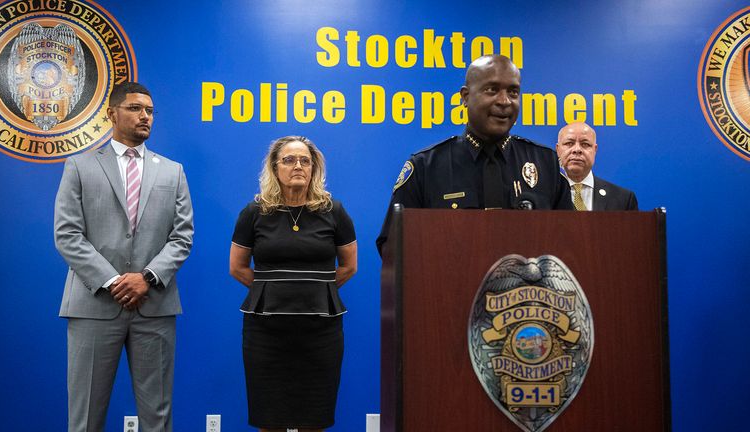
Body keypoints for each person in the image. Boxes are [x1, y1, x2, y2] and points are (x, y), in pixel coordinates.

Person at [54, 82, 194, 432]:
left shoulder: (172, 171)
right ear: (111, 113)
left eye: (149, 110)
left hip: (155, 305)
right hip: (93, 304)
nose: (145, 116)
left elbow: (182, 236)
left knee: (158, 418)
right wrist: (114, 281)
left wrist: (145, 277)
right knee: (85, 418)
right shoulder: (79, 166)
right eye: (135, 108)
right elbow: (67, 234)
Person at [376, 55, 572, 254]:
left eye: (513, 92)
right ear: (465, 97)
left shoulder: (546, 163)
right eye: (492, 90)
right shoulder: (425, 167)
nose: (504, 101)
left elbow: (571, 242)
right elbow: (393, 249)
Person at [229, 136, 357, 432]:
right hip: (265, 334)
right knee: (269, 419)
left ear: (314, 169)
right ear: (274, 167)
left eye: (305, 160)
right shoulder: (254, 212)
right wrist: (272, 290)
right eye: (289, 160)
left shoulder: (333, 211)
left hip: (321, 333)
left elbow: (349, 266)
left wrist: (315, 291)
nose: (297, 166)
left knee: (315, 419)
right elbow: (237, 267)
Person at [556, 121, 638, 211]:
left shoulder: (624, 199)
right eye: (569, 143)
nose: (577, 149)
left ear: (595, 150)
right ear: (558, 149)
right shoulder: (544, 196)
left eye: (585, 144)